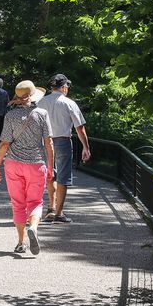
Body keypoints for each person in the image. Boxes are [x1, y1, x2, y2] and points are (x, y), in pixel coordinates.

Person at [0, 80, 54, 255]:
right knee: (35, 202)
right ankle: (33, 228)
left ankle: (21, 243)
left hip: (13, 164)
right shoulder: (42, 114)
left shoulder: (10, 116)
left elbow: (4, 144)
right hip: (36, 164)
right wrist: (50, 166)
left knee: (18, 204)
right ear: (34, 96)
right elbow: (48, 143)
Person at [37, 74, 91, 223]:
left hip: (45, 142)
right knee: (63, 177)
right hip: (63, 142)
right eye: (67, 86)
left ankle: (51, 207)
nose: (67, 88)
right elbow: (80, 128)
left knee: (50, 174)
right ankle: (59, 213)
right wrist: (86, 148)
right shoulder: (69, 103)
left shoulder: (41, 102)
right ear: (63, 87)